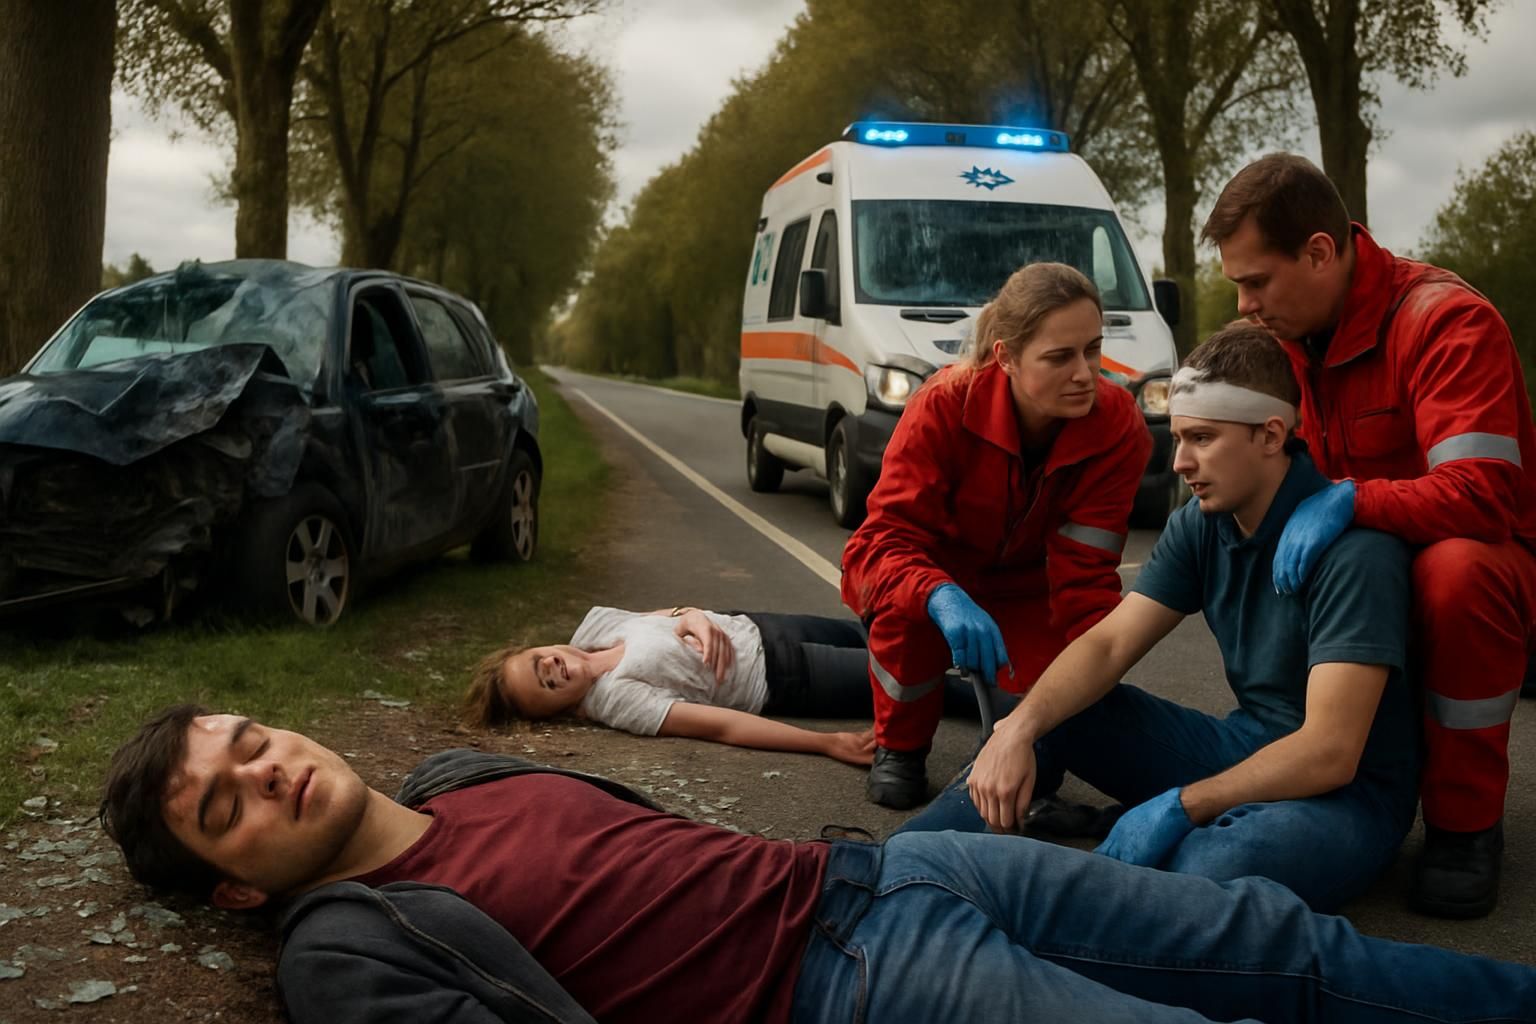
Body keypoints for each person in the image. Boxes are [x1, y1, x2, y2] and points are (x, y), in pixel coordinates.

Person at [98, 705, 1536, 1024]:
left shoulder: (459, 773)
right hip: (848, 989)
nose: (264, 769)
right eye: (226, 807)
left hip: (902, 877)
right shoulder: (340, 947)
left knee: (1290, 949)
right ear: (238, 885)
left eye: (246, 740)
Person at [899, 323, 1420, 913]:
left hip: (1344, 796)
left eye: (1201, 438)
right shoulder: (1203, 521)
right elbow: (1109, 645)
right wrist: (1014, 732)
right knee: (1055, 711)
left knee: (1204, 870)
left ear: (1271, 435)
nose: (1179, 462)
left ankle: (1045, 906)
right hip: (1246, 748)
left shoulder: (1357, 554)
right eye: (1177, 438)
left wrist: (1183, 805)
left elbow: (1329, 752)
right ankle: (892, 865)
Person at [1202, 153, 1536, 918]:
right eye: (1237, 285)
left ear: (1320, 252)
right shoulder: (1281, 336)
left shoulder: (1448, 323)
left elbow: (1485, 496)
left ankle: (1464, 824)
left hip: (1474, 558)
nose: (1245, 305)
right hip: (1368, 557)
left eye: (1257, 281)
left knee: (1456, 578)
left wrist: (1349, 501)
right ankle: (1304, 760)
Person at [841, 262, 1152, 808]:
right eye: (1060, 357)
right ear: (1006, 356)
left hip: (1032, 593)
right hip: (937, 583)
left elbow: (1087, 575)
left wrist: (1090, 674)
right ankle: (900, 747)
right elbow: (879, 544)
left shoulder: (1118, 423)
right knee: (906, 616)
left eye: (1093, 350)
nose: (1085, 374)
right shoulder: (944, 404)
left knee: (1047, 740)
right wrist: (938, 594)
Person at [465, 606, 992, 766]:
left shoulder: (593, 627)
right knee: (927, 683)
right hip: (788, 677)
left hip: (765, 626)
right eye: (546, 686)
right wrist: (825, 743)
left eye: (540, 661)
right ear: (561, 709)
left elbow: (671, 613)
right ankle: (1021, 716)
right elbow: (721, 725)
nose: (553, 669)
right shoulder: (615, 700)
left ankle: (1013, 657)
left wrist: (692, 616)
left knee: (889, 631)